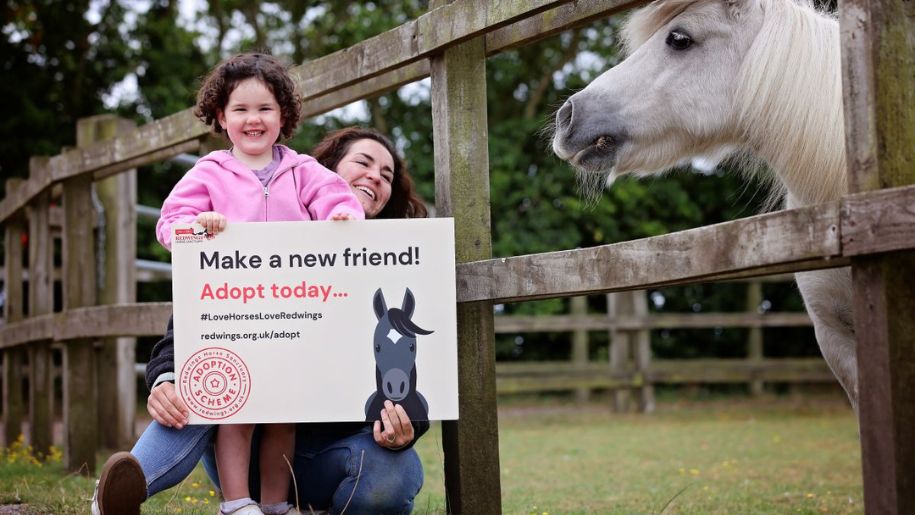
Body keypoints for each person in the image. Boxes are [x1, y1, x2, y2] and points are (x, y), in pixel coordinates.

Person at [92, 126, 429, 515]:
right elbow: (195, 324)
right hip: (245, 448)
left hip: (341, 453)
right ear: (326, 171)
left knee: (394, 473)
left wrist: (407, 429)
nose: (376, 177)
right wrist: (166, 379)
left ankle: (302, 508)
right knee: (209, 377)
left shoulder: (396, 267)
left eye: (386, 176)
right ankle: (116, 497)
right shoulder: (264, 239)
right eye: (364, 163)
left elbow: (419, 368)